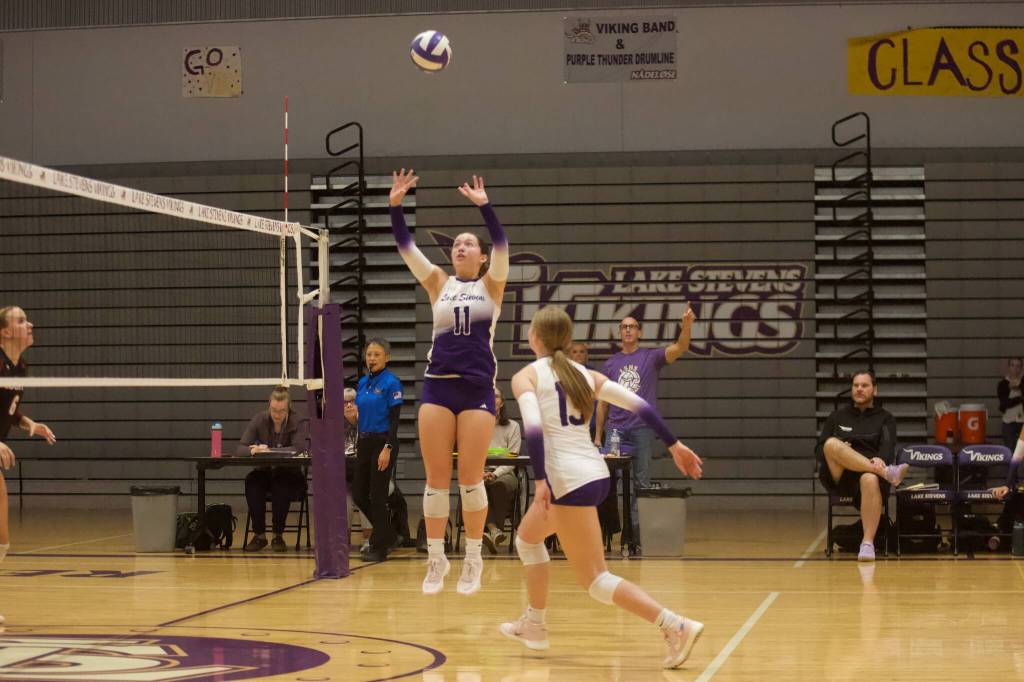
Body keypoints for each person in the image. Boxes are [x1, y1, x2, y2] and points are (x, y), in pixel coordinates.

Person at [500, 306, 705, 669]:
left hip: (566, 481)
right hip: (594, 473)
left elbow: (532, 427)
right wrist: (674, 445)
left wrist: (541, 480)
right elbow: (641, 406)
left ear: (534, 337)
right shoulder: (587, 375)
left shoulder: (526, 377)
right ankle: (534, 622)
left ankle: (676, 624)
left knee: (596, 581)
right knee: (528, 539)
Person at [389, 169, 509, 595]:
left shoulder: (493, 285)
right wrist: (396, 205)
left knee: (471, 479)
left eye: (468, 243)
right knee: (436, 480)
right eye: (457, 243)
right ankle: (436, 559)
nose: (461, 246)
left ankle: (473, 559)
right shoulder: (438, 282)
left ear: (479, 257)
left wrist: (485, 207)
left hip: (477, 389)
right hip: (438, 387)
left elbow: (501, 244)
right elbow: (405, 247)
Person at [594, 306, 696, 552]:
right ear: (620, 332)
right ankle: (606, 535)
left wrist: (687, 326)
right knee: (606, 485)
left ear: (639, 332)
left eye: (632, 326)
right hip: (616, 431)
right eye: (624, 327)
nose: (628, 330)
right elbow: (602, 403)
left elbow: (680, 347)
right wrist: (598, 436)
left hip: (641, 430)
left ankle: (635, 539)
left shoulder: (651, 357)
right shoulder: (611, 364)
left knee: (640, 484)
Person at [0, 306, 57, 625]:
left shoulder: (18, 367)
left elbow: (6, 409)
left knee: (2, 538)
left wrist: (28, 424)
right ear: (5, 332)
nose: (30, 323)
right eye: (21, 320)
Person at [816, 371, 908, 562]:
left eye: (864, 385)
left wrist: (880, 459)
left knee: (870, 477)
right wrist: (843, 452)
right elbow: (819, 450)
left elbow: (887, 448)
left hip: (869, 481)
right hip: (841, 476)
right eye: (855, 385)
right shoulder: (837, 416)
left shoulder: (886, 418)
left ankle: (867, 544)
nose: (859, 389)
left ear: (875, 389)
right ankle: (887, 473)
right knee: (831, 444)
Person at [344, 338, 403, 562]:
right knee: (359, 493)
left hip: (383, 443)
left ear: (387, 357)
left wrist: (387, 448)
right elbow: (364, 417)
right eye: (369, 354)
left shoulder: (392, 383)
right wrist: (354, 418)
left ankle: (380, 547)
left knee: (377, 496)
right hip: (365, 442)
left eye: (377, 354)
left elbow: (394, 421)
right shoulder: (362, 383)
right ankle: (388, 534)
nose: (372, 358)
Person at [237, 386, 309, 552]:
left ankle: (278, 535)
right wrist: (251, 450)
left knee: (281, 482)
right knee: (252, 482)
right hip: (265, 472)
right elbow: (240, 447)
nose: (277, 415)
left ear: (288, 408)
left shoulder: (297, 420)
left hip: (290, 475)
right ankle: (259, 535)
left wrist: (270, 451)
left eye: (282, 411)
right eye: (274, 410)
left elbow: (298, 448)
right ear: (269, 405)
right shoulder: (259, 419)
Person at [483, 387, 522, 553]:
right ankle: (494, 531)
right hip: (480, 471)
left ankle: (493, 529)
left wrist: (495, 473)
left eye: (497, 396)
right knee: (474, 486)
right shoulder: (475, 426)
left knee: (498, 486)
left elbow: (512, 459)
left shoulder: (512, 426)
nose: (493, 398)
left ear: (502, 402)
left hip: (505, 472)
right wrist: (479, 472)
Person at [997, 357, 1024, 449]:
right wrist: (1020, 398)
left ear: (1021, 368)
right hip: (1008, 421)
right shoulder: (1003, 384)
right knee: (1009, 450)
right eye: (1012, 365)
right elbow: (1005, 403)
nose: (1015, 369)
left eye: (1018, 366)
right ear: (1009, 367)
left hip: (1023, 421)